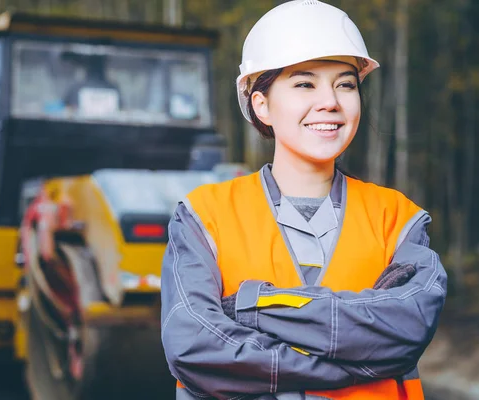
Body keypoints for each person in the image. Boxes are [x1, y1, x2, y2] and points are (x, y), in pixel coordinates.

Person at [160, 1, 447, 400]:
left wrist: (252, 307)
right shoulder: (204, 216)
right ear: (261, 105)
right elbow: (194, 345)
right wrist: (346, 364)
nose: (330, 101)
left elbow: (409, 324)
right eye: (304, 84)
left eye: (345, 84)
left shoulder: (397, 219)